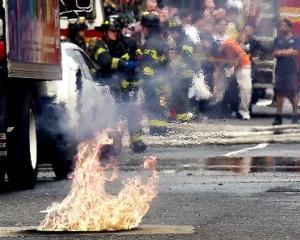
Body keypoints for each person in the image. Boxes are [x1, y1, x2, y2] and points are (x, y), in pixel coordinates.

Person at [89, 15, 147, 153]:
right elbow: (105, 61)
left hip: (125, 87)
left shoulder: (126, 44)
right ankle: (112, 144)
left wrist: (134, 63)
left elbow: (136, 60)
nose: (114, 34)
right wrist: (123, 63)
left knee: (131, 113)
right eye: (111, 31)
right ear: (105, 31)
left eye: (116, 31)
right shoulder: (99, 45)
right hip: (106, 88)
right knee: (111, 116)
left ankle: (136, 142)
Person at [137, 12, 169, 134]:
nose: (142, 30)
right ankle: (161, 130)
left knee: (153, 106)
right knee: (160, 106)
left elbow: (148, 66)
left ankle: (157, 131)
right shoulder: (161, 42)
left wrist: (143, 79)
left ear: (147, 28)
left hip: (152, 83)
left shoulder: (149, 44)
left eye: (143, 27)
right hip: (162, 81)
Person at [166, 17, 197, 121]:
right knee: (176, 94)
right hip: (179, 74)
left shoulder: (185, 42)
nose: (171, 34)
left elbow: (188, 60)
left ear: (177, 31)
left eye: (172, 32)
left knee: (181, 95)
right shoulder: (179, 41)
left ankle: (184, 116)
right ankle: (179, 115)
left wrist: (176, 67)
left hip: (185, 74)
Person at [273, 19, 300, 125]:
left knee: (292, 92)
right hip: (280, 70)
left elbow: (295, 52)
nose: (282, 28)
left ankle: (295, 115)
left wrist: (282, 52)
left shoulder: (295, 39)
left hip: (291, 70)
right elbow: (275, 53)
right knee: (279, 93)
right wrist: (286, 52)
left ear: (289, 27)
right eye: (281, 26)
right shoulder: (277, 39)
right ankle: (278, 117)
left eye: (284, 26)